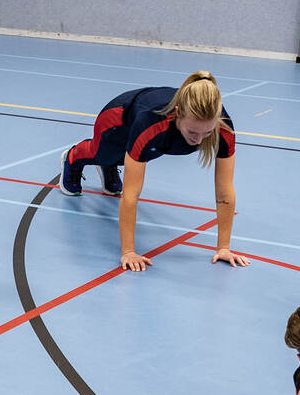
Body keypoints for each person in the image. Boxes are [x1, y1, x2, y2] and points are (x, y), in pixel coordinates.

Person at [59, 71, 251, 272]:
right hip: (118, 119)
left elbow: (224, 191)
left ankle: (111, 165)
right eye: (192, 132)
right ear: (178, 113)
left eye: (208, 133)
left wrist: (224, 248)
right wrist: (129, 251)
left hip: (157, 134)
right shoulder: (151, 123)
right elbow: (131, 194)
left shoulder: (224, 127)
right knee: (101, 154)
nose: (199, 141)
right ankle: (72, 158)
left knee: (140, 154)